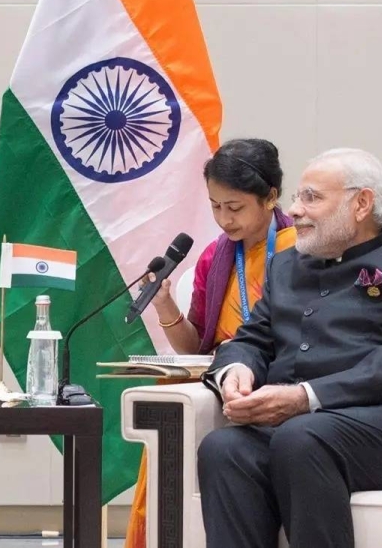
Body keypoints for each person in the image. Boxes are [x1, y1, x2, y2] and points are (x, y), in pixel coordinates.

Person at [198, 148, 382, 548]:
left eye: (312, 197)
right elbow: (252, 339)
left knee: (301, 436)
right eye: (297, 197)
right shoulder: (285, 266)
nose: (294, 210)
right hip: (302, 430)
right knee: (224, 447)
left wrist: (305, 397)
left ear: (361, 204)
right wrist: (236, 371)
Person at [126, 138, 296, 548]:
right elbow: (194, 348)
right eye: (215, 206)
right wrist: (165, 305)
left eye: (234, 207)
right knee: (166, 395)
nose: (224, 219)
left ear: (271, 197)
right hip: (223, 380)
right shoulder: (214, 258)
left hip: (281, 376)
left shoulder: (301, 249)